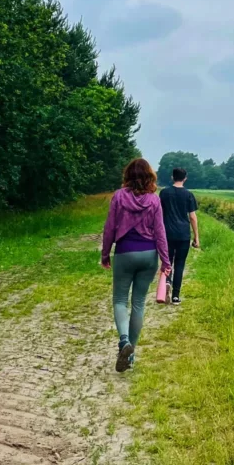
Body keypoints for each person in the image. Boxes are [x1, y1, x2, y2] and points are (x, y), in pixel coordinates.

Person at [101, 158, 171, 373]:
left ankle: (124, 341)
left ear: (128, 175)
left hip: (125, 252)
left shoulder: (119, 197)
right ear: (149, 176)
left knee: (120, 300)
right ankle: (131, 356)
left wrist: (105, 253)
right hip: (148, 254)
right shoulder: (153, 200)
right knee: (139, 303)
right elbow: (160, 231)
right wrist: (166, 261)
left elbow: (110, 227)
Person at [159, 167, 200, 304]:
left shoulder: (164, 193)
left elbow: (158, 214)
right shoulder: (188, 195)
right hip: (183, 235)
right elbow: (193, 217)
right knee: (180, 264)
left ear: (172, 177)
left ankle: (167, 282)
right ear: (185, 178)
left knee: (167, 262)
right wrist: (196, 237)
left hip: (167, 234)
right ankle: (176, 296)